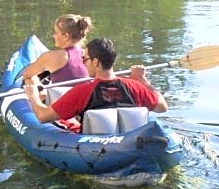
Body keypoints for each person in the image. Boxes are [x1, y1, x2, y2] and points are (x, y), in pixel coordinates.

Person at [24, 37, 168, 125]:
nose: (83, 63)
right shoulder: (135, 86)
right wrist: (143, 81)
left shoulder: (82, 92)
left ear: (96, 62)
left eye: (85, 59)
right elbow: (162, 107)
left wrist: (33, 97)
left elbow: (43, 117)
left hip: (95, 151)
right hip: (129, 143)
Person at [21, 14, 93, 84]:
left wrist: (39, 89)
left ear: (66, 36)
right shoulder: (90, 56)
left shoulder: (51, 57)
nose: (53, 36)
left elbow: (27, 75)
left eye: (56, 32)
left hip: (64, 96)